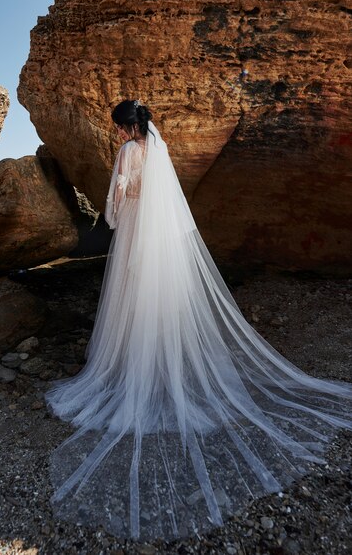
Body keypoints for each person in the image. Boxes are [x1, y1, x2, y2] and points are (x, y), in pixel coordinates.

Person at [44, 99, 352, 542]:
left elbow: (120, 199)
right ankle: (166, 360)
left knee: (131, 297)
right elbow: (162, 199)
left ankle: (136, 364)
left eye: (117, 128)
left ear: (128, 126)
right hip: (161, 242)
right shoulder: (160, 148)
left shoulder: (130, 151)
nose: (116, 135)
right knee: (160, 297)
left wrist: (117, 206)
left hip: (135, 234)